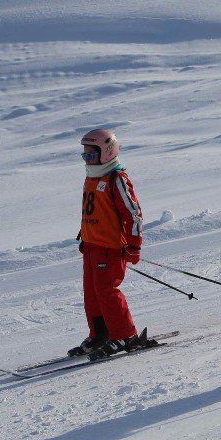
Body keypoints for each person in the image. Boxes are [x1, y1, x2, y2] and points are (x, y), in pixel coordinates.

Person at [70, 128, 144, 360]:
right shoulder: (91, 177)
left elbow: (133, 214)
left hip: (110, 247)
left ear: (107, 152)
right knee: (92, 293)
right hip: (92, 246)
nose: (88, 159)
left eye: (91, 155)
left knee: (107, 291)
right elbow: (92, 212)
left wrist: (134, 246)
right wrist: (85, 235)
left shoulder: (116, 178)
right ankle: (101, 333)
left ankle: (125, 335)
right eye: (85, 155)